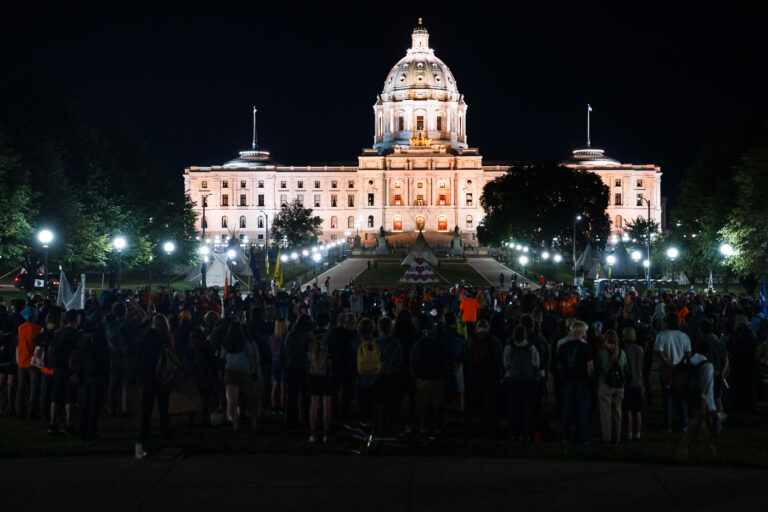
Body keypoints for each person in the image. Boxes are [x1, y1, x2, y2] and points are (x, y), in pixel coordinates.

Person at [675, 341, 717, 462]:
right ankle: (682, 451)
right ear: (709, 351)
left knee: (699, 422)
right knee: (695, 424)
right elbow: (708, 388)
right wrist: (712, 407)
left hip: (687, 395)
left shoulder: (690, 361)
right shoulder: (707, 365)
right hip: (700, 398)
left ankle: (709, 449)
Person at [137, 314, 173, 445]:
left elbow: (140, 356)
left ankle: (144, 434)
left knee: (147, 408)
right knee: (164, 407)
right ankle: (165, 432)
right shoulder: (166, 338)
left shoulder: (147, 337)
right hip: (162, 376)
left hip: (149, 376)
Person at [556, 320, 593, 444]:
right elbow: (590, 367)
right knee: (582, 411)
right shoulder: (586, 347)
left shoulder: (563, 346)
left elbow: (559, 365)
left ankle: (566, 436)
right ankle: (583, 437)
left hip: (567, 380)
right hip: (582, 380)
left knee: (567, 410)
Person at [654, 313, 692, 431]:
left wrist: (669, 364)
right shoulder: (684, 336)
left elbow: (660, 353)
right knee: (681, 398)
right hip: (681, 371)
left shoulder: (661, 335)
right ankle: (684, 423)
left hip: (666, 370)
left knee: (668, 398)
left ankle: (668, 425)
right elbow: (688, 354)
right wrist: (678, 364)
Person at [220, 321, 261, 431]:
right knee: (250, 399)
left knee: (233, 400)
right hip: (244, 371)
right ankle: (253, 422)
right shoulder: (245, 343)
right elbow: (251, 357)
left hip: (230, 371)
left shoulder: (226, 344)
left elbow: (222, 357)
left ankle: (235, 424)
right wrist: (254, 369)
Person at [503, 325, 539, 441]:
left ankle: (513, 432)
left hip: (513, 379)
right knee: (527, 407)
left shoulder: (509, 348)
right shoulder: (531, 348)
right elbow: (536, 363)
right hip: (528, 380)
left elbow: (506, 363)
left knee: (513, 407)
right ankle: (527, 432)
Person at [48, 310, 81, 435]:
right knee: (70, 398)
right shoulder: (75, 334)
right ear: (75, 320)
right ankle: (68, 424)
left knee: (55, 397)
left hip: (57, 369)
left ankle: (53, 424)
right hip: (69, 369)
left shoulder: (58, 332)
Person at [596, 330, 627, 444]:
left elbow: (598, 369)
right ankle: (617, 437)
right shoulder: (622, 353)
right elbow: (624, 367)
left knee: (605, 413)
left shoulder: (601, 353)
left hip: (605, 384)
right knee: (617, 412)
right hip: (619, 385)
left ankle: (607, 437)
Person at [282, 314, 312, 428]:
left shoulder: (290, 334)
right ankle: (305, 417)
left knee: (291, 395)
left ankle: (290, 418)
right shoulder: (308, 336)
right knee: (305, 395)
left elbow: (285, 350)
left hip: (291, 367)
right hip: (304, 368)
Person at [307, 312, 332, 442]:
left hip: (313, 372)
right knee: (326, 404)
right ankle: (326, 434)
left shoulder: (311, 336)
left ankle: (313, 433)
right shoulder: (330, 336)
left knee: (314, 403)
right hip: (327, 373)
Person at [16, 305, 43, 418]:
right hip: (33, 361)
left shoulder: (21, 327)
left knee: (21, 387)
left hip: (21, 360)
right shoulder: (38, 329)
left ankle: (19, 411)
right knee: (34, 387)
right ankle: (31, 411)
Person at [621, 326, 644, 440]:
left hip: (628, 383)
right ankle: (638, 433)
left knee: (628, 410)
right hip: (638, 381)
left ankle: (629, 433)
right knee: (637, 410)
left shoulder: (624, 350)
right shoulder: (640, 349)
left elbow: (624, 367)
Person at [268, 319, 287, 414]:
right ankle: (283, 407)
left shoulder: (271, 338)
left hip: (274, 361)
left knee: (274, 386)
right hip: (284, 362)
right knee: (283, 386)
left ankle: (274, 407)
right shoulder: (285, 338)